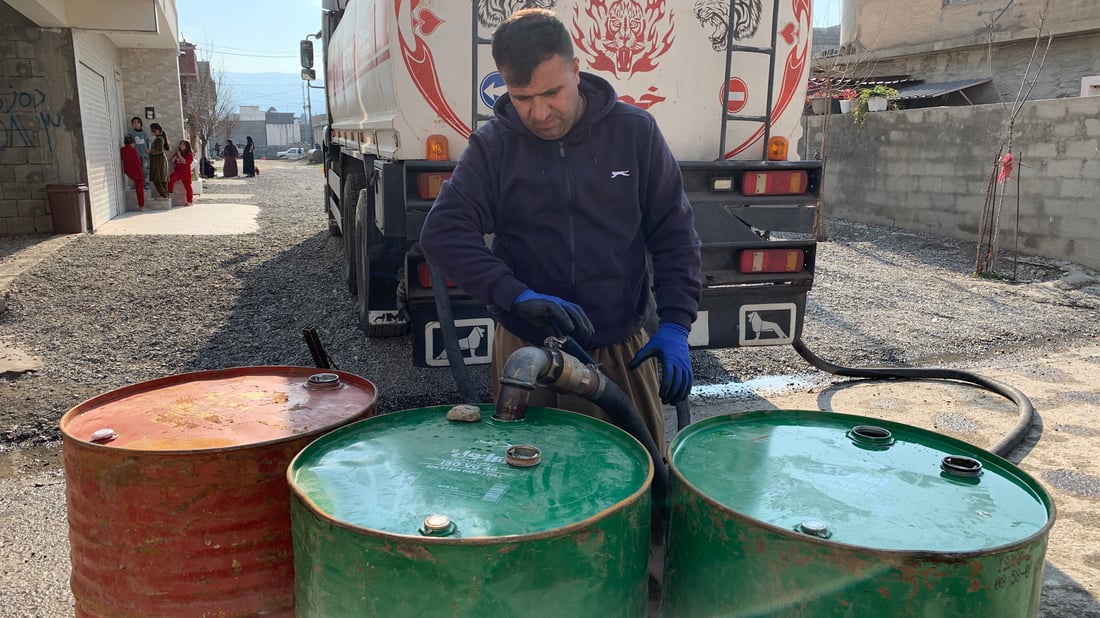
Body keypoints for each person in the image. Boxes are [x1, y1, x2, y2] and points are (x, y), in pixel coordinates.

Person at [419, 8, 701, 448]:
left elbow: (674, 234)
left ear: (575, 69)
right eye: (522, 95)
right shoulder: (494, 146)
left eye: (552, 93)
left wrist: (676, 325)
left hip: (618, 348)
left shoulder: (635, 133)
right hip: (524, 354)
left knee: (637, 483)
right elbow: (444, 233)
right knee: (527, 495)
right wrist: (515, 294)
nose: (539, 112)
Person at [120, 135, 145, 210]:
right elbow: (138, 161)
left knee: (139, 187)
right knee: (140, 188)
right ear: (131, 143)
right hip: (137, 171)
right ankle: (141, 206)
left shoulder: (122, 150)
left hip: (127, 170)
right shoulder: (133, 151)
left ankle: (141, 206)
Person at [168, 140, 195, 206]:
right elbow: (172, 161)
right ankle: (169, 193)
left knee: (188, 187)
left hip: (186, 173)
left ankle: (190, 201)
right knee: (170, 179)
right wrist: (177, 155)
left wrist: (179, 155)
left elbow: (185, 162)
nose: (181, 146)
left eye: (183, 145)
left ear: (187, 146)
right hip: (177, 172)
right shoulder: (178, 153)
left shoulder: (189, 155)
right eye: (180, 144)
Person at [147, 128, 170, 201]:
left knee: (157, 178)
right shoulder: (160, 138)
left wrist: (150, 151)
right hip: (160, 160)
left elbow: (159, 150)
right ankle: (165, 194)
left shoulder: (159, 139)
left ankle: (163, 194)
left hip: (158, 161)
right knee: (162, 178)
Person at [127, 117, 150, 190]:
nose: (136, 124)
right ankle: (138, 184)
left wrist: (148, 149)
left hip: (144, 155)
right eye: (134, 122)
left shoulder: (144, 133)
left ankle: (146, 184)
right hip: (135, 156)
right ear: (132, 124)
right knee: (137, 171)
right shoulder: (131, 133)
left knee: (145, 170)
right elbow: (129, 144)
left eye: (138, 122)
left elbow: (148, 142)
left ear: (140, 124)